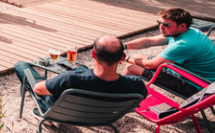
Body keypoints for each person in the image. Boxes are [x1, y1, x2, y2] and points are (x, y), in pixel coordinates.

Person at [14, 35, 147, 107]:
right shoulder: (136, 84)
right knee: (82, 69)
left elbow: (38, 89)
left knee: (21, 65)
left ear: (93, 54)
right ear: (122, 58)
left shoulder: (71, 79)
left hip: (62, 109)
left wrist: (53, 82)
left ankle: (43, 107)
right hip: (104, 116)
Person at [123, 7, 215, 88]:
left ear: (182, 26)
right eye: (159, 23)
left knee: (130, 68)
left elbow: (150, 65)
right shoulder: (189, 31)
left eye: (166, 25)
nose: (161, 27)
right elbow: (150, 41)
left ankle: (119, 100)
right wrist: (123, 46)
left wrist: (125, 58)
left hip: (196, 85)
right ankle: (128, 94)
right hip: (196, 76)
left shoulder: (183, 44)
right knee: (136, 56)